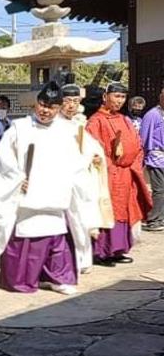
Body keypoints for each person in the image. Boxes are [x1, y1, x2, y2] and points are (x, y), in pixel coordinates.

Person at [0, 81, 91, 295]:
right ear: (36, 104)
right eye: (42, 104)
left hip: (56, 196)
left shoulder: (66, 130)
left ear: (58, 108)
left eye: (51, 107)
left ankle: (57, 277)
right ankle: (23, 279)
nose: (45, 110)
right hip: (26, 197)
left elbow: (75, 162)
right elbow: (2, 160)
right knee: (26, 239)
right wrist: (16, 178)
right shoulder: (19, 128)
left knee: (57, 238)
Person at [86, 81, 152, 266]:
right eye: (116, 96)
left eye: (123, 97)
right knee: (107, 212)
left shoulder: (125, 120)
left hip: (127, 173)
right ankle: (102, 252)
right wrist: (108, 166)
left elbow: (138, 145)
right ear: (105, 97)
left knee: (124, 212)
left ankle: (119, 249)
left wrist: (133, 164)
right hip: (108, 174)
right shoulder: (95, 121)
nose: (119, 100)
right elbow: (92, 149)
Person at [59, 73, 113, 274]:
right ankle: (63, 261)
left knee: (81, 220)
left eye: (75, 101)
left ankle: (83, 259)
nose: (71, 105)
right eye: (67, 101)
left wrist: (97, 158)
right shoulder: (53, 125)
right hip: (60, 180)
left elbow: (92, 147)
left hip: (80, 180)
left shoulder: (80, 123)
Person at [140, 88, 164, 232]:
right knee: (159, 190)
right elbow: (143, 137)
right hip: (156, 157)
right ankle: (154, 220)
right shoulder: (152, 115)